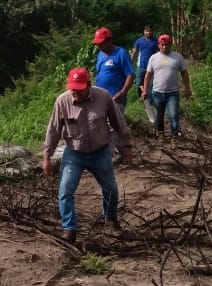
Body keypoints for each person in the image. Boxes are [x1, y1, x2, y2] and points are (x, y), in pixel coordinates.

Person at [42, 66, 132, 243]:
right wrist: (46, 157)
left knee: (111, 189)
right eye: (73, 88)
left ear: (89, 85)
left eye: (80, 89)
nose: (75, 92)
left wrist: (127, 147)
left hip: (100, 152)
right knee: (65, 190)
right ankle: (69, 228)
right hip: (74, 153)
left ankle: (110, 219)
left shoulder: (103, 97)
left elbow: (119, 123)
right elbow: (53, 131)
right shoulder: (62, 101)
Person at [140, 33, 193, 141]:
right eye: (162, 44)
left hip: (172, 93)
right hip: (157, 92)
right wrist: (145, 90)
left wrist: (187, 88)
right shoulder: (153, 58)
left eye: (167, 44)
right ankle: (161, 134)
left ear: (171, 45)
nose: (165, 47)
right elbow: (148, 76)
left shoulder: (178, 57)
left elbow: (184, 74)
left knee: (173, 115)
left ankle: (174, 137)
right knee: (159, 116)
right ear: (159, 45)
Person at [92, 27, 134, 107]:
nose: (99, 46)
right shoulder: (100, 54)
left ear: (109, 40)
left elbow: (130, 75)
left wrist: (122, 92)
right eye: (97, 44)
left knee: (114, 119)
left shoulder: (121, 53)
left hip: (116, 99)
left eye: (101, 43)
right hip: (100, 98)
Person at [131, 24, 158, 124]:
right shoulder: (139, 41)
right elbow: (134, 53)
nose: (148, 33)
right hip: (141, 67)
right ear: (144, 32)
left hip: (152, 68)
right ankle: (143, 95)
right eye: (147, 31)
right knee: (138, 84)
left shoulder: (156, 41)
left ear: (152, 32)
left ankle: (150, 101)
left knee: (151, 86)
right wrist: (130, 63)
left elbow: (160, 53)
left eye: (150, 31)